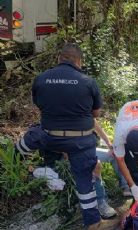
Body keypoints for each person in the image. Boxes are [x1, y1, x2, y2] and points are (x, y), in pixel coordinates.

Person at [30, 43, 103, 229]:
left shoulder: (41, 79)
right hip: (81, 141)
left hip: (50, 138)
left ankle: (47, 172)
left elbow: (40, 105)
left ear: (58, 59)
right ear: (79, 61)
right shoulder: (88, 81)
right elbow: (95, 114)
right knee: (85, 181)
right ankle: (93, 223)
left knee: (36, 136)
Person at [14, 121, 122, 219]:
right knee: (95, 165)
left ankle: (126, 187)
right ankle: (101, 202)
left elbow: (93, 123)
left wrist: (109, 144)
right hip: (61, 159)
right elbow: (66, 152)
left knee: (114, 155)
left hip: (82, 150)